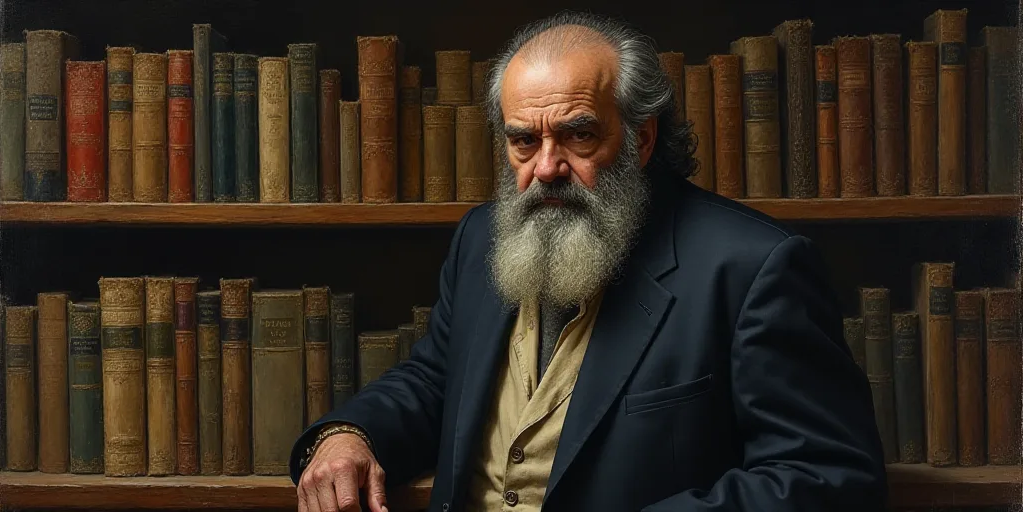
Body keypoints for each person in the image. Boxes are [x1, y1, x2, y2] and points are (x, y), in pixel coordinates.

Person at [290, 10, 887, 512]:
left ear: (641, 138)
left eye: (578, 136)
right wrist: (349, 435)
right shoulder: (481, 237)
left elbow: (827, 476)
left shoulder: (756, 267)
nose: (545, 167)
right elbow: (435, 380)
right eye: (524, 139)